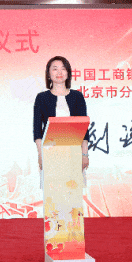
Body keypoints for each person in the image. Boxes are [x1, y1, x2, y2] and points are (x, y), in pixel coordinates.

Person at [33, 56, 89, 188]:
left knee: (73, 193)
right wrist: (41, 155)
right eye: (55, 69)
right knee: (53, 194)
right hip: (50, 153)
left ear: (68, 73)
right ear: (48, 74)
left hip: (74, 153)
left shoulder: (77, 97)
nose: (59, 72)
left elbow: (84, 129)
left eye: (63, 69)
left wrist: (84, 154)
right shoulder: (41, 98)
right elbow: (37, 130)